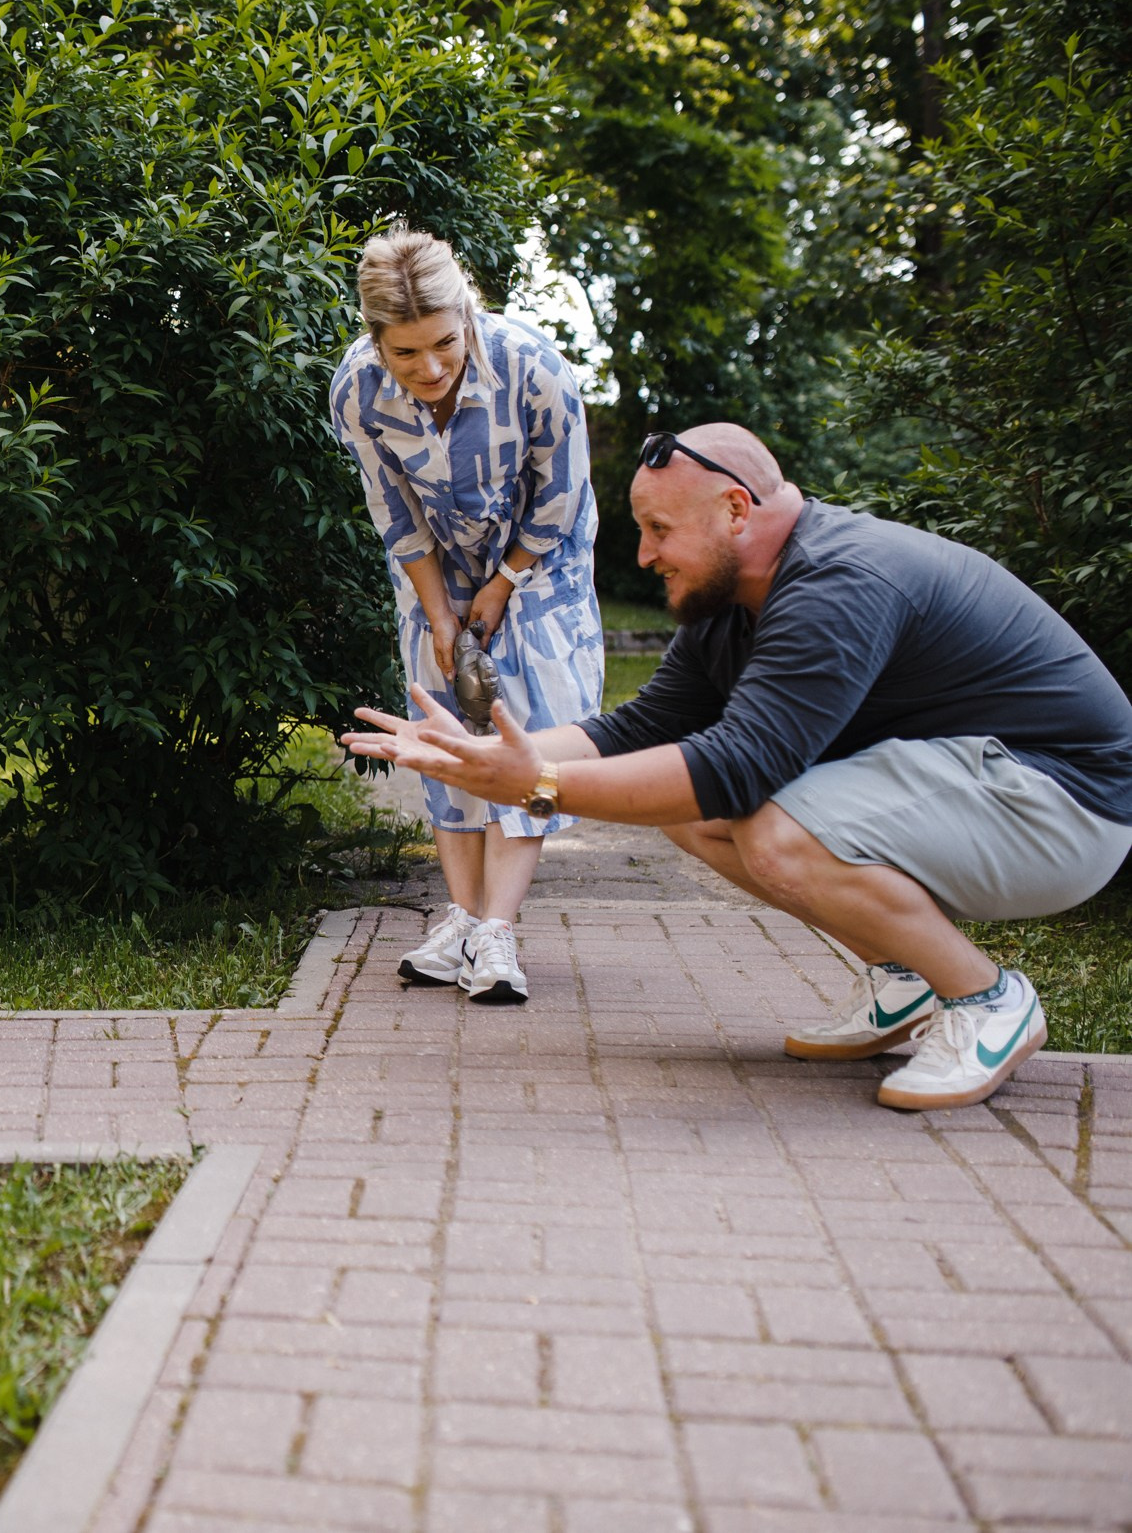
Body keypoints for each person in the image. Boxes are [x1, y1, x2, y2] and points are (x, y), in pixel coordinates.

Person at [342, 423, 1132, 1110]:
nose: (645, 554)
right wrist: (473, 754)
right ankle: (907, 977)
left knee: (773, 829)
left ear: (735, 511)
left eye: (657, 529)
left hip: (1063, 801)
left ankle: (987, 999)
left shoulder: (838, 583)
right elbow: (640, 729)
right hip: (977, 781)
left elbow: (737, 768)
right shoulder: (739, 603)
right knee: (691, 812)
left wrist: (536, 785)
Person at [329, 224, 603, 1004]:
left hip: (539, 560)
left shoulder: (536, 370)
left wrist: (505, 581)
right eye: (405, 352)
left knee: (516, 723)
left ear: (468, 315)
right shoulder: (356, 388)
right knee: (445, 723)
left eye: (444, 344)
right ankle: (459, 917)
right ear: (375, 337)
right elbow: (393, 509)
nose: (431, 367)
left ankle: (499, 931)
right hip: (435, 565)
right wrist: (439, 611)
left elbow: (561, 494)